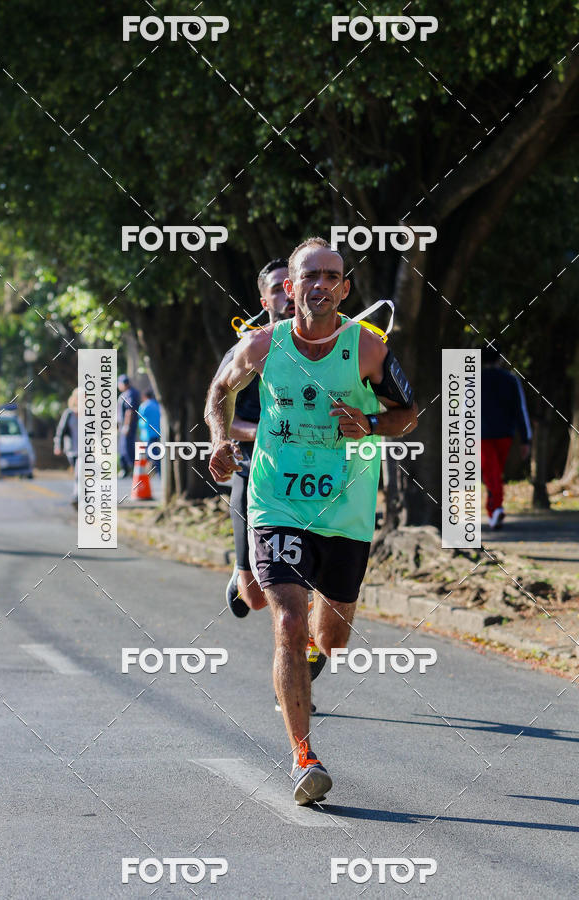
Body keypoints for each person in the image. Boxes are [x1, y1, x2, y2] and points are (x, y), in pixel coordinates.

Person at [207, 236, 417, 805]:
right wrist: (222, 439)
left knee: (332, 637)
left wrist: (370, 426)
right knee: (288, 622)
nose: (319, 285)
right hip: (277, 503)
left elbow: (408, 414)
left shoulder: (369, 350)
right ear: (289, 288)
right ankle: (303, 755)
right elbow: (219, 390)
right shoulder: (259, 346)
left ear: (345, 289)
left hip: (345, 511)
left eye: (331, 276)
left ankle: (314, 657)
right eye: (309, 276)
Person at [206, 258, 293, 618]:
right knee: (255, 599)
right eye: (276, 288)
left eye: (291, 283)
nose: (287, 293)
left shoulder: (333, 346)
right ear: (264, 302)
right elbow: (221, 406)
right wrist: (260, 432)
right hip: (252, 470)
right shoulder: (251, 348)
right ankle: (242, 575)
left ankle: (305, 637)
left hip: (312, 475)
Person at [481, 344, 532, 529]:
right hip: (504, 434)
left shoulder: (472, 380)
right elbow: (521, 410)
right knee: (494, 472)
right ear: (500, 359)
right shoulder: (511, 380)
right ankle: (496, 509)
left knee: (491, 472)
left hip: (482, 434)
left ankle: (494, 509)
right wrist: (525, 439)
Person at [53, 388, 79, 506]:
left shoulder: (90, 413)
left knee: (80, 471)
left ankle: (77, 495)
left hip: (86, 450)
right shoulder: (69, 414)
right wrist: (58, 446)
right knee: (78, 472)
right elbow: (60, 431)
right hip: (72, 449)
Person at [117, 374, 141, 477]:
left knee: (127, 447)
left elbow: (129, 411)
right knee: (123, 447)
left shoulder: (130, 393)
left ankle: (131, 468)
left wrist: (126, 426)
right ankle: (126, 469)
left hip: (128, 426)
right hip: (124, 425)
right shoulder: (126, 393)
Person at [138, 388, 161, 473]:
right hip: (156, 432)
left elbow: (139, 416)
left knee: (151, 453)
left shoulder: (144, 405)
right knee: (155, 452)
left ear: (144, 396)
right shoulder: (157, 404)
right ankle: (156, 470)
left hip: (148, 433)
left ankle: (157, 470)